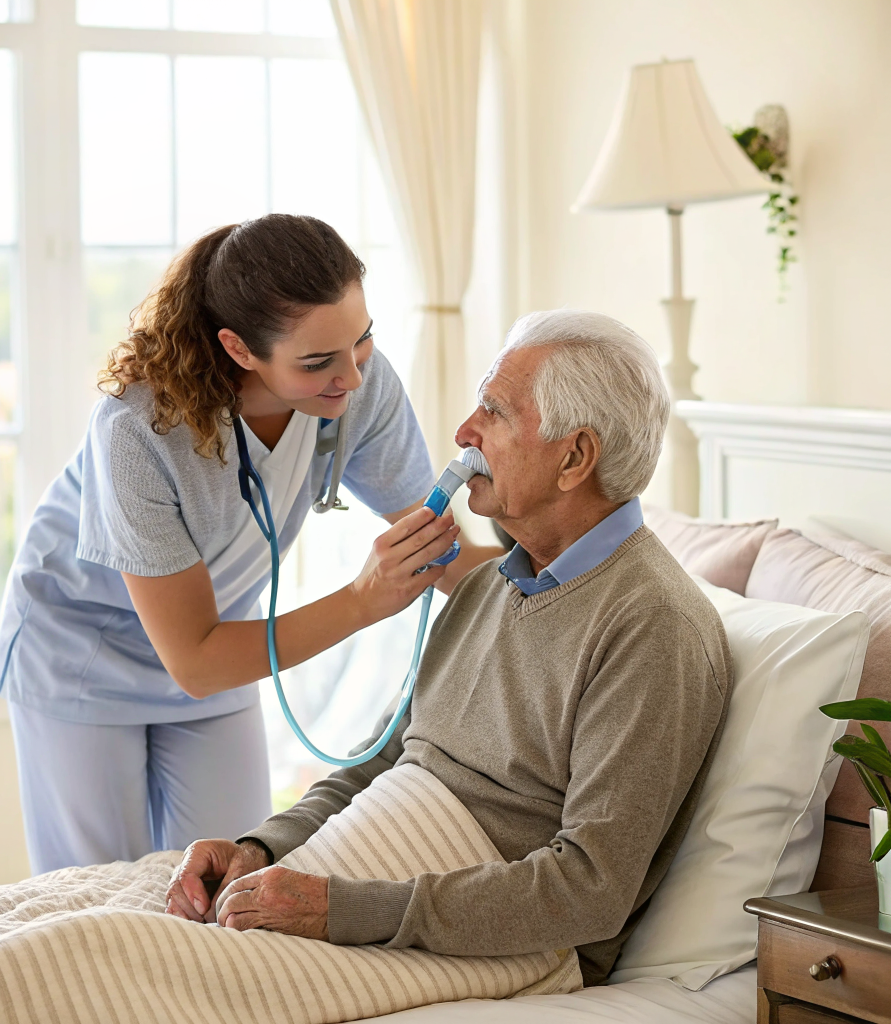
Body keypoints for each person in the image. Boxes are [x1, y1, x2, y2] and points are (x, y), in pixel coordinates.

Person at [165, 309, 733, 987]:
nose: (464, 433)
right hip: (367, 904)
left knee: (131, 975)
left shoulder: (653, 627)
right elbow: (378, 764)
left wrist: (339, 909)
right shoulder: (486, 587)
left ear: (575, 457)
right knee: (83, 946)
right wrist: (260, 847)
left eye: (493, 411)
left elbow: (588, 888)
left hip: (500, 955)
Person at [0, 214, 502, 875]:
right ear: (239, 349)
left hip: (221, 641)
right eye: (317, 362)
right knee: (99, 894)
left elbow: (446, 557)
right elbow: (196, 663)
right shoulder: (137, 429)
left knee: (235, 874)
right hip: (81, 653)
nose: (350, 376)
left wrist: (584, 557)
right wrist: (362, 601)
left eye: (362, 341)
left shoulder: (358, 386)